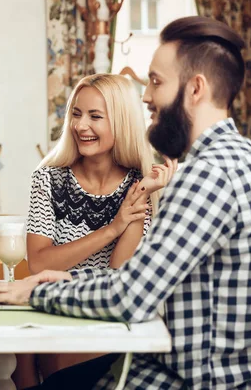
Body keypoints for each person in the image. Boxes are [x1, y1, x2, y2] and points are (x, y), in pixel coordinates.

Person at [0, 16, 251, 390]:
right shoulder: (242, 158)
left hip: (187, 380)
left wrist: (35, 290)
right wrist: (65, 276)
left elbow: (129, 296)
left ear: (195, 89)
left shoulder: (206, 176)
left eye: (156, 82)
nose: (144, 97)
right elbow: (138, 279)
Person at [15, 73, 176, 388]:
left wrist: (142, 192)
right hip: (54, 320)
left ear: (120, 122)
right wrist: (110, 229)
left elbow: (119, 274)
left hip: (105, 324)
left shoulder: (137, 185)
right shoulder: (47, 178)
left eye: (95, 116)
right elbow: (39, 262)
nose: (80, 125)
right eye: (76, 114)